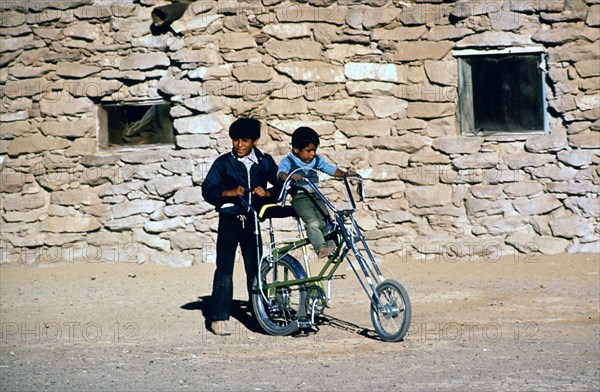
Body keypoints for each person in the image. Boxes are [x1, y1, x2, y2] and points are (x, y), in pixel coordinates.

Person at [201, 117, 279, 336]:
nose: (239, 145)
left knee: (256, 267)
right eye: (235, 140)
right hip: (229, 219)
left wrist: (268, 193)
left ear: (254, 140)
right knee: (224, 268)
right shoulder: (223, 162)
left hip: (253, 220)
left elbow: (280, 184)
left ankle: (260, 315)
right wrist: (229, 193)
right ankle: (218, 317)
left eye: (245, 140)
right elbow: (208, 190)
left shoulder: (264, 161)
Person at [278, 127, 353, 259]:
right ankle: (320, 248)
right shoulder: (288, 161)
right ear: (296, 149)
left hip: (316, 195)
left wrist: (345, 175)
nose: (312, 154)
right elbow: (281, 173)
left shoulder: (316, 160)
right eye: (308, 151)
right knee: (312, 222)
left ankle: (331, 246)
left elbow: (329, 169)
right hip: (300, 197)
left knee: (326, 221)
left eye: (314, 150)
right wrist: (290, 176)